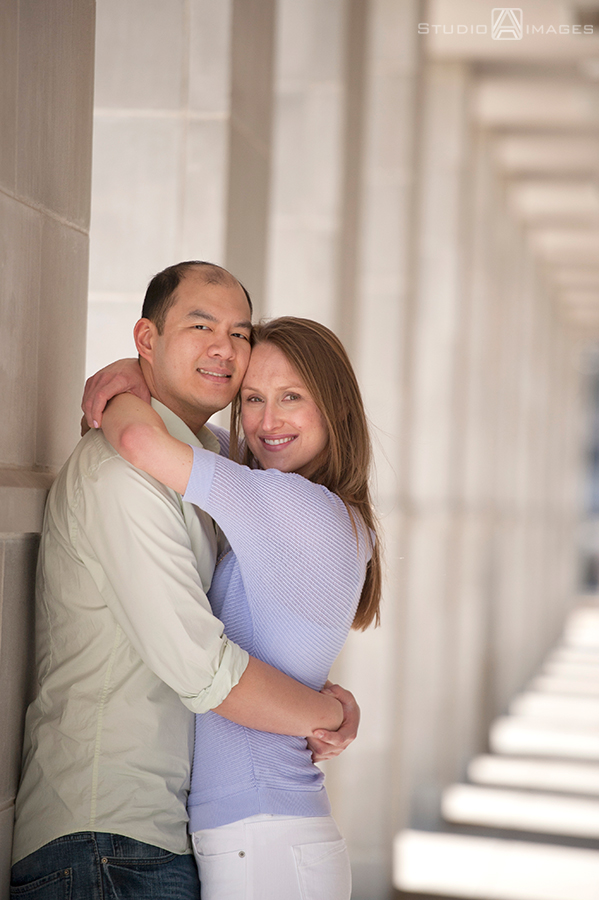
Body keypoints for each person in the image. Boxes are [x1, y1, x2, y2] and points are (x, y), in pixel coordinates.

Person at [11, 262, 357, 900]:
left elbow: (200, 445)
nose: (223, 348)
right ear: (148, 337)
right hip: (108, 837)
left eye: (238, 332)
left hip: (160, 839)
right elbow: (205, 671)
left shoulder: (230, 476)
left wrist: (127, 386)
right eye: (200, 325)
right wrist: (325, 710)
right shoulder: (126, 476)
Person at [98, 315, 382, 900]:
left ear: (337, 410)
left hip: (265, 841)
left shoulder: (290, 505)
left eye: (292, 398)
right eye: (252, 398)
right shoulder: (317, 509)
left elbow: (138, 440)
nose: (267, 421)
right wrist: (138, 373)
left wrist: (128, 382)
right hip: (269, 834)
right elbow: (197, 437)